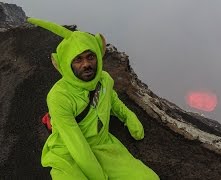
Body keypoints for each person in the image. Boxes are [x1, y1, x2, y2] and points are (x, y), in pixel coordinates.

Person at [27, 18, 159, 180]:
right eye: (78, 59)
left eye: (90, 57)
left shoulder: (104, 80)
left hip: (102, 145)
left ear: (98, 55)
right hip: (68, 153)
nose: (86, 64)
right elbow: (75, 143)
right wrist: (98, 176)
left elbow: (114, 102)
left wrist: (129, 117)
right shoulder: (59, 96)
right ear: (66, 63)